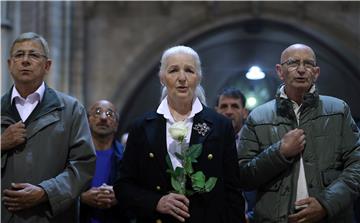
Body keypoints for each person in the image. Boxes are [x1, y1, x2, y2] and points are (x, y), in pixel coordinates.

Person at [114, 45, 245, 223]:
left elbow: (232, 191)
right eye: (173, 70)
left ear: (198, 77)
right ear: (162, 78)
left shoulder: (220, 126)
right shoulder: (142, 127)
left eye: (189, 70)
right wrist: (156, 202)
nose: (182, 78)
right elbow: (123, 186)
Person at [237, 43, 360, 222]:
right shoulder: (258, 117)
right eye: (293, 63)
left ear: (316, 73)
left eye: (308, 64)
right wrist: (279, 153)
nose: (301, 69)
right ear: (280, 71)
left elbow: (357, 166)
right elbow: (242, 176)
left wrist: (326, 204)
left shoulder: (339, 110)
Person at [1, 32, 96, 222]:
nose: (25, 61)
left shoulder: (70, 109)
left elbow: (83, 164)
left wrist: (46, 192)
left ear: (47, 65)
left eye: (34, 55)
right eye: (19, 55)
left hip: (51, 215)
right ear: (9, 64)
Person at [80, 100, 130, 223]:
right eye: (97, 112)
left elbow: (139, 193)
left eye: (109, 114)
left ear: (116, 124)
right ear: (88, 121)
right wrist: (81, 198)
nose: (103, 118)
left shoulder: (127, 158)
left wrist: (121, 195)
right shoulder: (73, 154)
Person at [215, 87, 256, 222]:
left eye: (235, 106)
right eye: (223, 106)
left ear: (244, 112)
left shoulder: (256, 141)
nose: (228, 111)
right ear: (216, 111)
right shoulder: (208, 143)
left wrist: (251, 217)